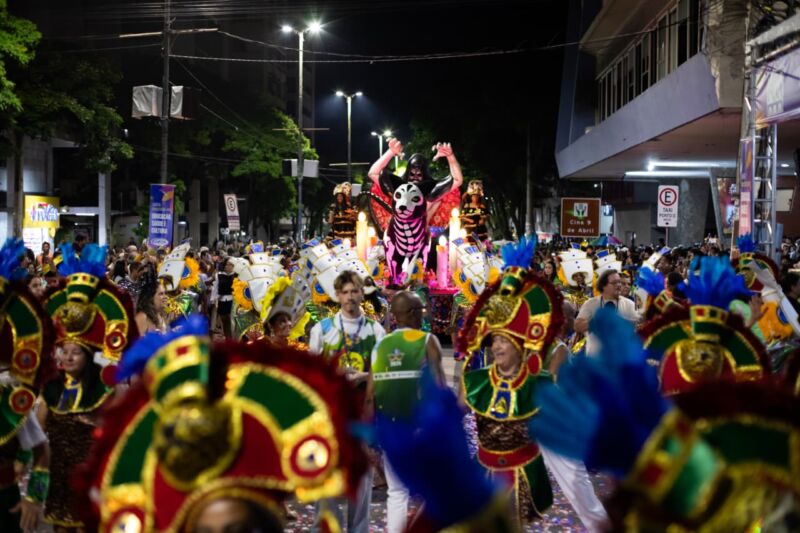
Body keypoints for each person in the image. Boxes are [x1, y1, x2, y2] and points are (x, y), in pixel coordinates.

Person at [309, 270, 385, 533]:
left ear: (361, 294)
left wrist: (364, 375)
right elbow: (313, 373)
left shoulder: (376, 330)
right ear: (337, 295)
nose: (350, 297)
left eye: (355, 291)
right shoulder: (323, 329)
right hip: (331, 413)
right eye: (345, 292)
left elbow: (383, 371)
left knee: (362, 477)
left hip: (364, 411)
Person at [371, 291, 445, 533]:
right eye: (421, 309)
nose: (423, 313)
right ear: (413, 313)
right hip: (420, 429)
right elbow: (439, 388)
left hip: (390, 430)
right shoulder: (427, 341)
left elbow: (370, 393)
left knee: (397, 493)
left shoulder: (381, 345)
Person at [574, 269, 639, 356]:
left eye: (619, 282)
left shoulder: (629, 304)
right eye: (614, 283)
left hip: (621, 360)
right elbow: (577, 326)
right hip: (596, 360)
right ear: (603, 286)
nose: (619, 285)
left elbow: (639, 327)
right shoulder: (591, 303)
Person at [211, 257, 236, 339]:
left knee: (230, 321)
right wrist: (214, 300)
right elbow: (215, 288)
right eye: (227, 264)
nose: (228, 266)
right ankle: (226, 337)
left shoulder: (236, 276)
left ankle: (231, 338)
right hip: (221, 300)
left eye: (230, 265)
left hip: (232, 300)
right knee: (224, 321)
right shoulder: (219, 275)